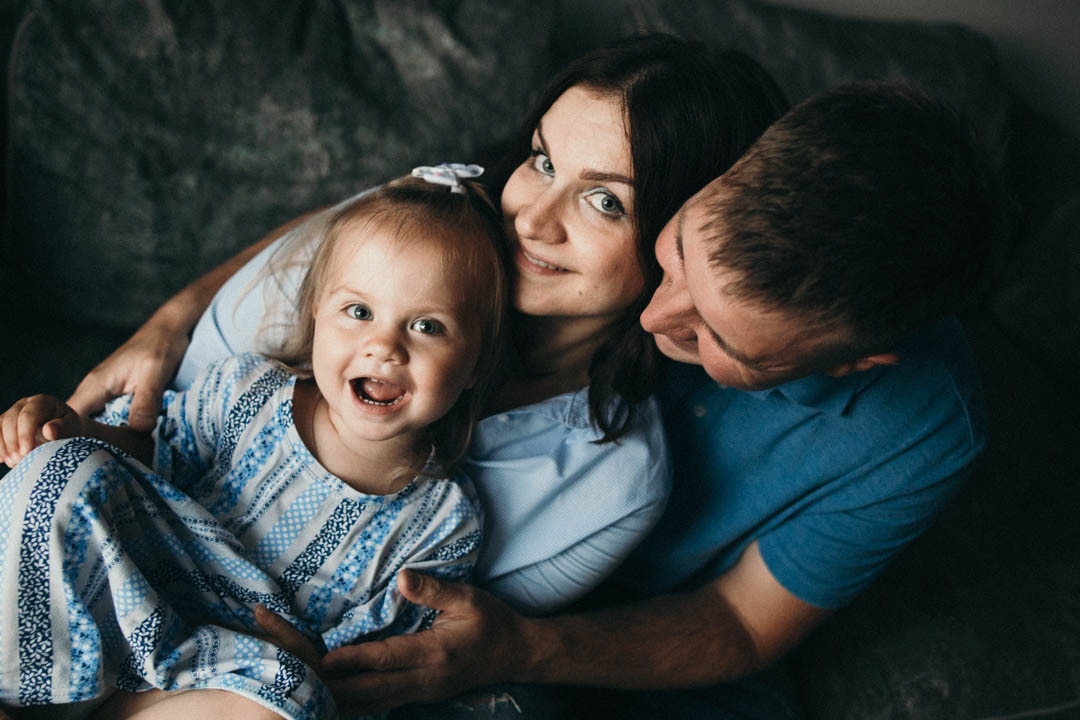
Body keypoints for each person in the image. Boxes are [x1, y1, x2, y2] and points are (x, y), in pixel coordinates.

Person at [256, 81, 994, 720]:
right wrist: (171, 322)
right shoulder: (602, 195)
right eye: (676, 258)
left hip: (631, 643)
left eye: (717, 340)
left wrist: (520, 649)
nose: (655, 318)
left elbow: (741, 623)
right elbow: (390, 229)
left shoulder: (923, 428)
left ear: (856, 361)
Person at [65, 34, 788, 622]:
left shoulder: (612, 484)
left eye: (604, 201)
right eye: (542, 162)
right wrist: (172, 318)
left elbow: (410, 655)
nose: (531, 220)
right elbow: (163, 434)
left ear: (685, 243)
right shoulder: (403, 239)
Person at [0, 171, 510, 719]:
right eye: (358, 312)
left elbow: (369, 673)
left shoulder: (444, 523)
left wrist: (314, 662)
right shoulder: (248, 390)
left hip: (213, 680)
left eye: (428, 326)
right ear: (317, 316)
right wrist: (72, 431)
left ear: (476, 362)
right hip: (113, 611)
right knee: (64, 467)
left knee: (297, 698)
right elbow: (145, 459)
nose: (383, 346)